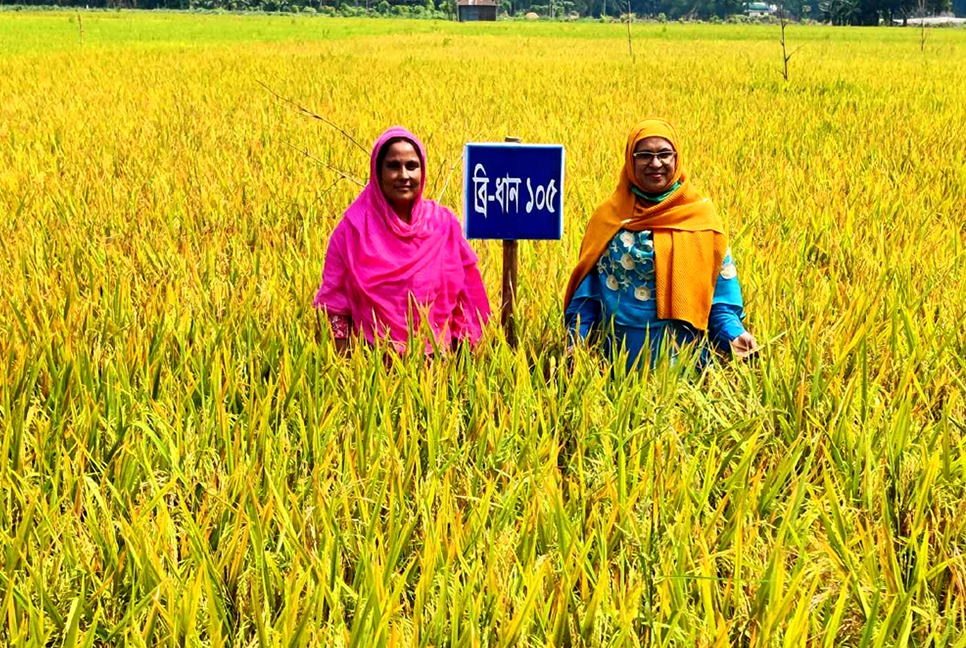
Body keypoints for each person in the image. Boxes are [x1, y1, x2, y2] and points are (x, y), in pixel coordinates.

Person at [563, 117, 758, 372]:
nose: (656, 163)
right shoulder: (608, 217)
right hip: (617, 365)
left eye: (664, 154)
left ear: (676, 158)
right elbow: (589, 292)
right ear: (630, 161)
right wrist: (575, 339)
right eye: (644, 155)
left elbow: (717, 297)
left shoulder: (700, 218)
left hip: (685, 367)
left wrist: (735, 335)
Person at [314, 127, 490, 354]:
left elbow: (467, 299)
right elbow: (335, 305)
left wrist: (462, 364)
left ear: (422, 170)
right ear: (377, 173)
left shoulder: (443, 225)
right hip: (371, 365)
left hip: (438, 365)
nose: (404, 175)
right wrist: (346, 371)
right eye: (393, 166)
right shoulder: (352, 231)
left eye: (412, 166)